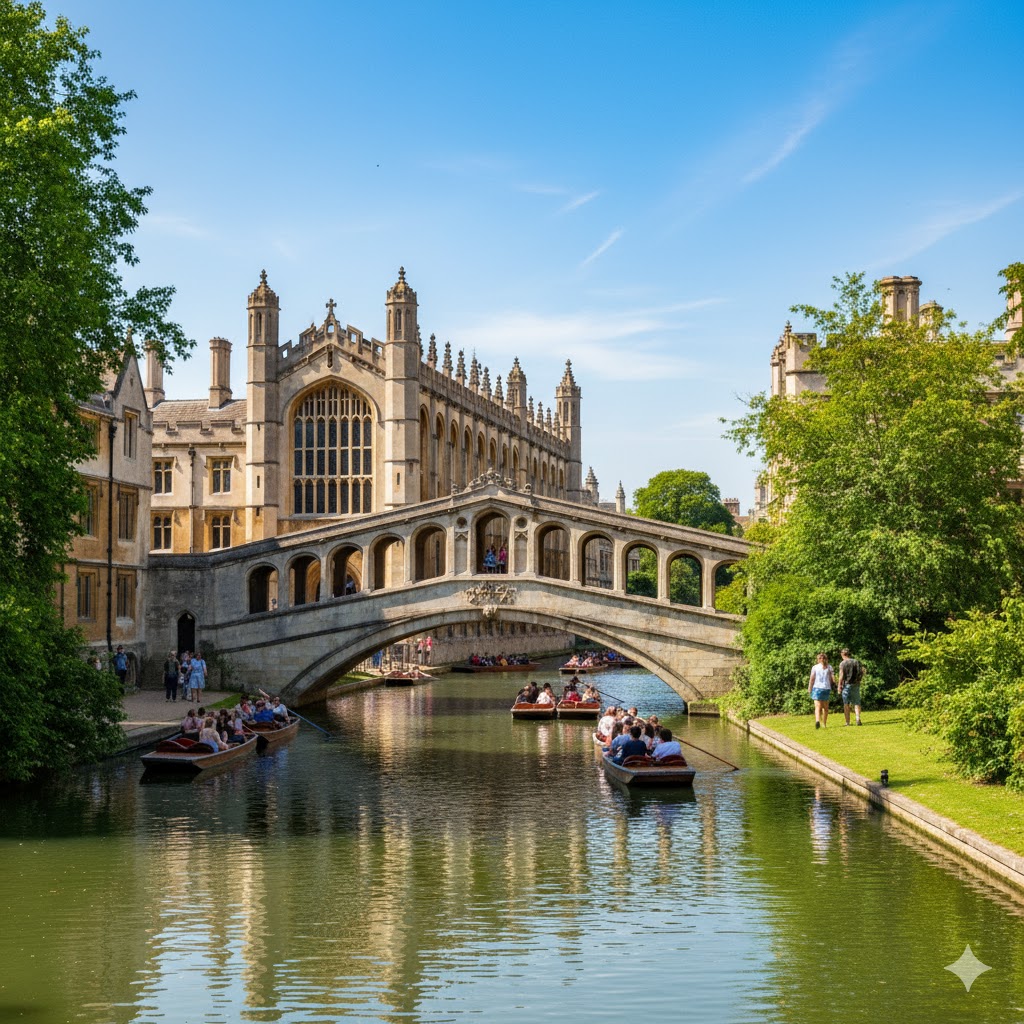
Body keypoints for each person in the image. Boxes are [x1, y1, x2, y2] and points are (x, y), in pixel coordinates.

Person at [808, 652, 835, 729]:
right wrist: (833, 685)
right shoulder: (829, 667)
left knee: (817, 706)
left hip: (817, 688)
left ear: (818, 659)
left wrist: (809, 688)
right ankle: (824, 724)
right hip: (826, 688)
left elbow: (812, 679)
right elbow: (832, 679)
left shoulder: (815, 667)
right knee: (825, 708)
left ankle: (817, 721)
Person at [838, 647, 864, 726]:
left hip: (846, 685)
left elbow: (841, 676)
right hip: (856, 684)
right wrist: (859, 680)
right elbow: (861, 672)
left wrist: (839, 685)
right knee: (857, 702)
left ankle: (847, 722)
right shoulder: (856, 662)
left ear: (843, 654)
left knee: (846, 703)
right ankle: (857, 718)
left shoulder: (843, 663)